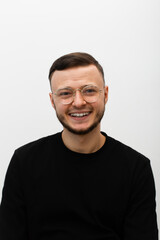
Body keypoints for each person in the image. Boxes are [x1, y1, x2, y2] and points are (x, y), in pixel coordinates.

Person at [0, 52, 158, 240]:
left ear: (105, 95)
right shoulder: (24, 162)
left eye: (89, 90)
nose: (78, 102)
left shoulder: (136, 168)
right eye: (65, 93)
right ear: (53, 101)